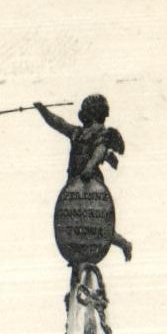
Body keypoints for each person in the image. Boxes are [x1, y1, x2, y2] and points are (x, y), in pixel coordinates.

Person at [34, 95, 133, 261]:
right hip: (74, 182)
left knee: (95, 221)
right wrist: (43, 110)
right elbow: (58, 123)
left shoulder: (103, 133)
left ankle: (124, 244)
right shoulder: (77, 133)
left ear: (92, 112)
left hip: (90, 182)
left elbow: (100, 150)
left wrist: (90, 166)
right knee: (77, 220)